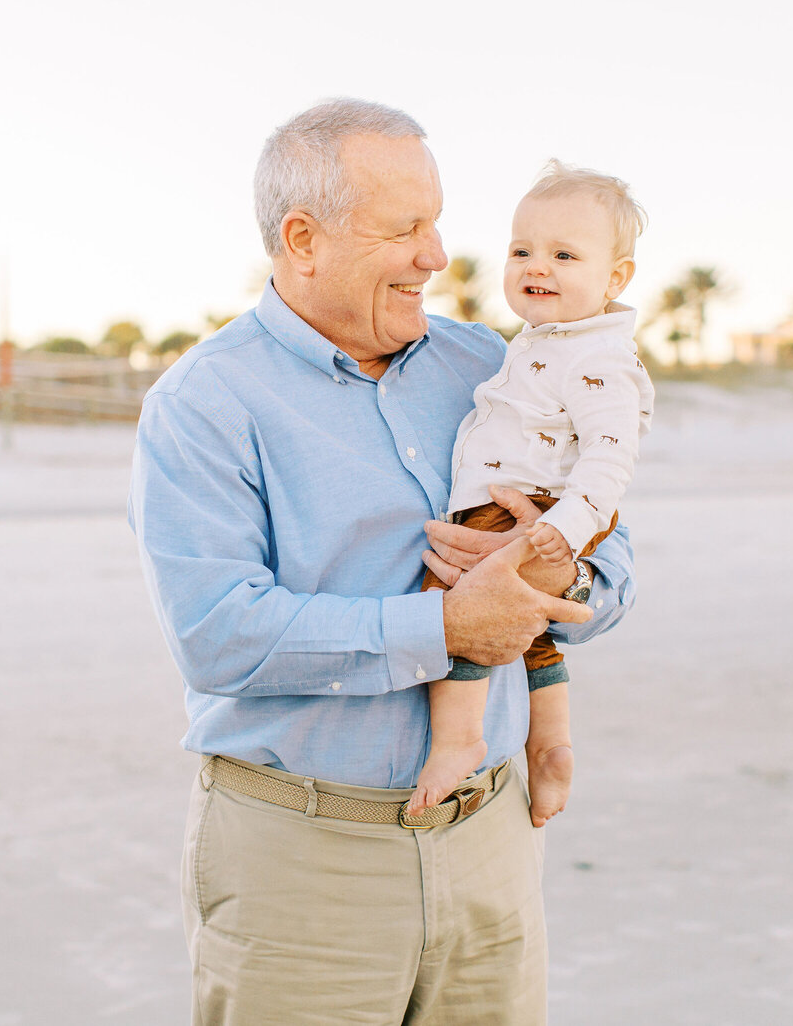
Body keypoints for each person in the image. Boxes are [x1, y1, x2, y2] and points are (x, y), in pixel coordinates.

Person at [129, 98, 639, 1025]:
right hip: (303, 863)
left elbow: (616, 570)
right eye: (406, 228)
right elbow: (217, 635)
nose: (437, 256)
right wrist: (449, 626)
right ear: (303, 239)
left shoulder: (490, 362)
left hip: (492, 841)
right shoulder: (204, 403)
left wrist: (552, 577)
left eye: (437, 222)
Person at [408, 162, 655, 826]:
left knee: (462, 607)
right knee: (528, 632)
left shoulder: (596, 357)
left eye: (564, 254)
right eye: (522, 250)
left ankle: (460, 739)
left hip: (539, 508)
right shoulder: (546, 341)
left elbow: (611, 455)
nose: (535, 265)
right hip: (540, 507)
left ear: (615, 278)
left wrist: (568, 531)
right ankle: (549, 745)